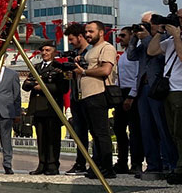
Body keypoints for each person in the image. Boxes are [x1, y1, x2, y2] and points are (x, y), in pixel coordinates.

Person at [130, 14, 177, 176]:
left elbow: (155, 53)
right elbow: (131, 55)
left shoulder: (167, 36)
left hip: (157, 87)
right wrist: (133, 38)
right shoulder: (145, 40)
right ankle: (152, 164)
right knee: (146, 128)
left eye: (146, 24)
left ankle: (169, 164)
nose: (143, 27)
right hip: (143, 88)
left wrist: (148, 37)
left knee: (162, 127)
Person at [73, 20, 117, 179]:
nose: (87, 34)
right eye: (86, 31)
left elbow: (105, 70)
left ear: (101, 32)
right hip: (86, 95)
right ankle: (98, 164)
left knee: (101, 132)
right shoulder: (91, 50)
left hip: (98, 93)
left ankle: (106, 167)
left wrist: (84, 72)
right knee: (95, 133)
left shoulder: (107, 48)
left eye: (91, 31)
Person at [147, 12, 182, 184]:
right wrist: (160, 31)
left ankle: (180, 168)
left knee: (180, 131)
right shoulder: (170, 41)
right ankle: (177, 166)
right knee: (173, 132)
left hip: (180, 91)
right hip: (169, 90)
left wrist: (177, 37)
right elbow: (151, 50)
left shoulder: (177, 40)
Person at [24, 41, 68, 175]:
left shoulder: (59, 68)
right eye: (43, 50)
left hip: (51, 108)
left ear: (54, 52)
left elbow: (63, 88)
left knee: (52, 139)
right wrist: (34, 84)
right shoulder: (36, 67)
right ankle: (42, 164)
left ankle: (52, 165)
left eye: (48, 50)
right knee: (41, 138)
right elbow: (26, 85)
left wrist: (42, 87)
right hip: (37, 108)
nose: (44, 53)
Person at [114, 27, 144, 174]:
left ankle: (136, 163)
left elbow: (138, 76)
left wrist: (131, 96)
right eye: (119, 35)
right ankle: (122, 161)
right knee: (119, 129)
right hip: (121, 92)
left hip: (132, 92)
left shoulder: (136, 54)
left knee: (135, 130)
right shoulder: (123, 55)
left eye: (123, 35)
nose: (120, 38)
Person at [63, 23, 91, 174]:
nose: (71, 42)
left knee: (95, 131)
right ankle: (80, 162)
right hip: (75, 95)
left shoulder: (91, 52)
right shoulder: (73, 54)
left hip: (89, 95)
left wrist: (81, 67)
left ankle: (98, 162)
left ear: (80, 37)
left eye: (72, 39)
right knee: (79, 132)